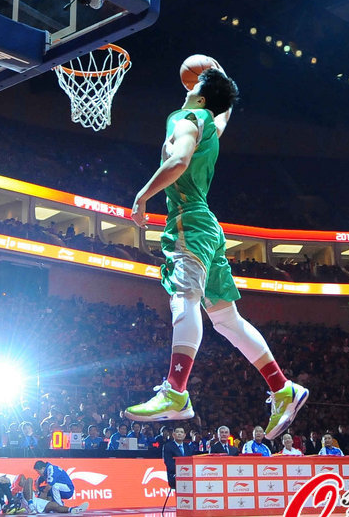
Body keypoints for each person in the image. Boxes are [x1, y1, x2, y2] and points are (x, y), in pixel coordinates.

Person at [124, 60, 307, 440]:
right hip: (209, 225)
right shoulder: (212, 121)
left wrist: (142, 196)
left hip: (188, 222)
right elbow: (224, 113)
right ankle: (283, 389)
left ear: (200, 93)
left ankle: (175, 392)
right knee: (225, 320)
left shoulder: (187, 116)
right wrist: (222, 80)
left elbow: (178, 161)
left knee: (183, 298)